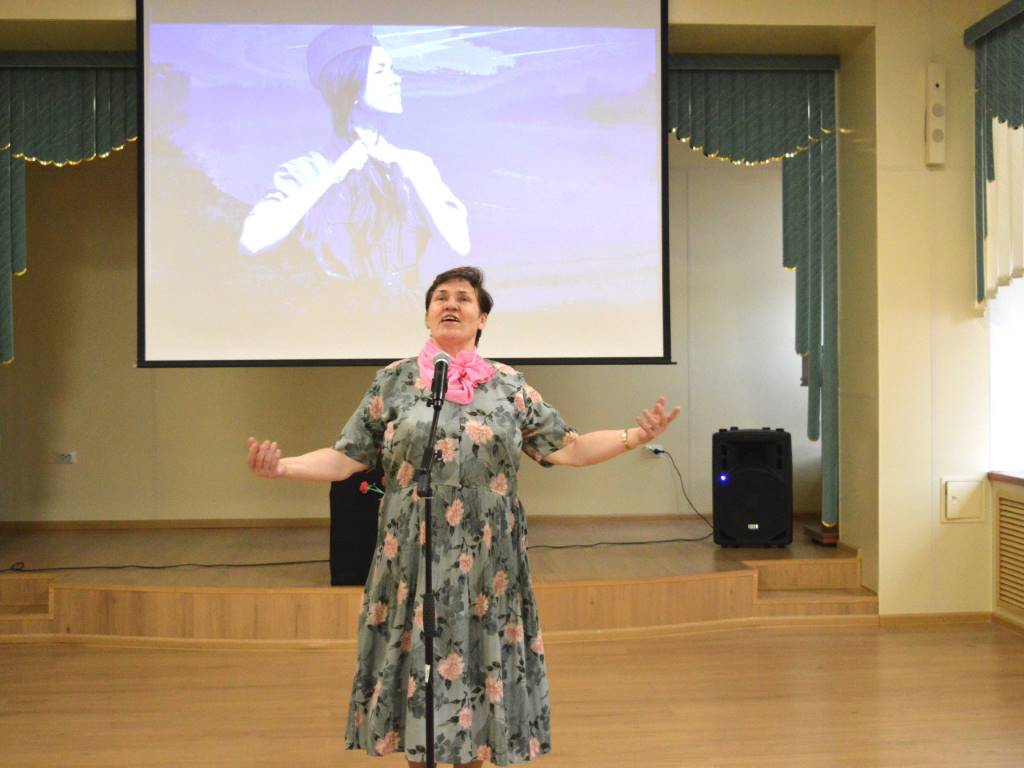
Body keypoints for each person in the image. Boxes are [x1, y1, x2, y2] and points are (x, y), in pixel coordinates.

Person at [247, 266, 680, 766]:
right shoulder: (394, 380)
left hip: (487, 563)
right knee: (417, 667)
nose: (450, 304)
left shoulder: (509, 385)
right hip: (412, 558)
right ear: (427, 315)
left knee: (477, 665)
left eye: (463, 298)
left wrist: (634, 437)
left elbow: (571, 448)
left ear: (482, 319)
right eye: (440, 297)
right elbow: (346, 458)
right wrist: (283, 467)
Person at [239, 26, 470, 296]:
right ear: (350, 86)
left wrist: (416, 177)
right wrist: (334, 174)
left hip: (405, 315)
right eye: (381, 71)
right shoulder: (308, 170)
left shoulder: (415, 165)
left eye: (393, 69)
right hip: (327, 316)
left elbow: (460, 245)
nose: (396, 79)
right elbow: (252, 241)